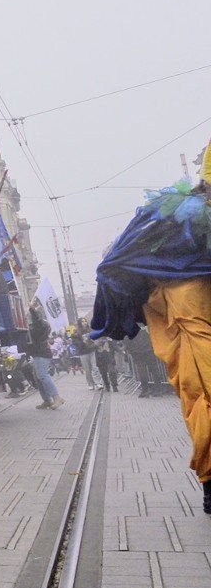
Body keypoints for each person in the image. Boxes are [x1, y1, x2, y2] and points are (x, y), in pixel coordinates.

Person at [92, 161, 211, 510]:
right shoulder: (178, 216)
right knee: (200, 394)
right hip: (188, 326)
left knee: (198, 396)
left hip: (187, 322)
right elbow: (123, 260)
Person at [26, 304, 62, 410]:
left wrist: (32, 309)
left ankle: (56, 397)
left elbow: (36, 318)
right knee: (38, 378)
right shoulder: (37, 325)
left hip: (41, 353)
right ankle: (47, 400)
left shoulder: (40, 324)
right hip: (38, 353)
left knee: (43, 375)